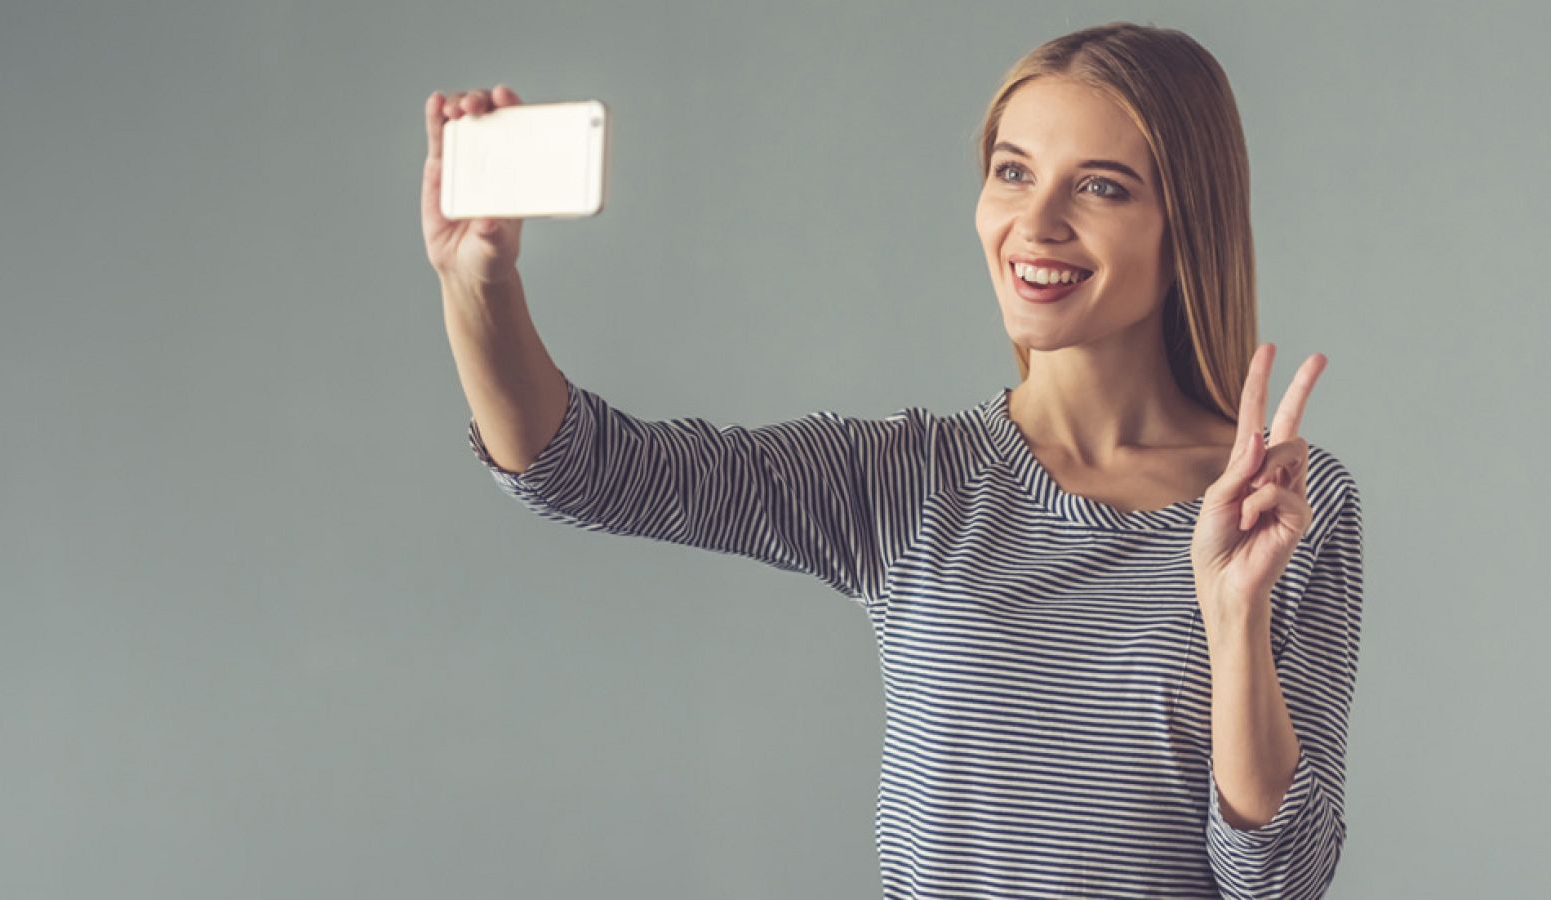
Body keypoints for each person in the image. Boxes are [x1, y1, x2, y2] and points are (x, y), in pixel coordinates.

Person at [420, 21, 1362, 900]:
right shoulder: (911, 480)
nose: (1035, 224)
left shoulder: (1282, 509)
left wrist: (1234, 620)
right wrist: (479, 283)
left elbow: (1279, 882)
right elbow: (577, 469)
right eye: (1012, 173)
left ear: (1186, 222)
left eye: (1100, 186)